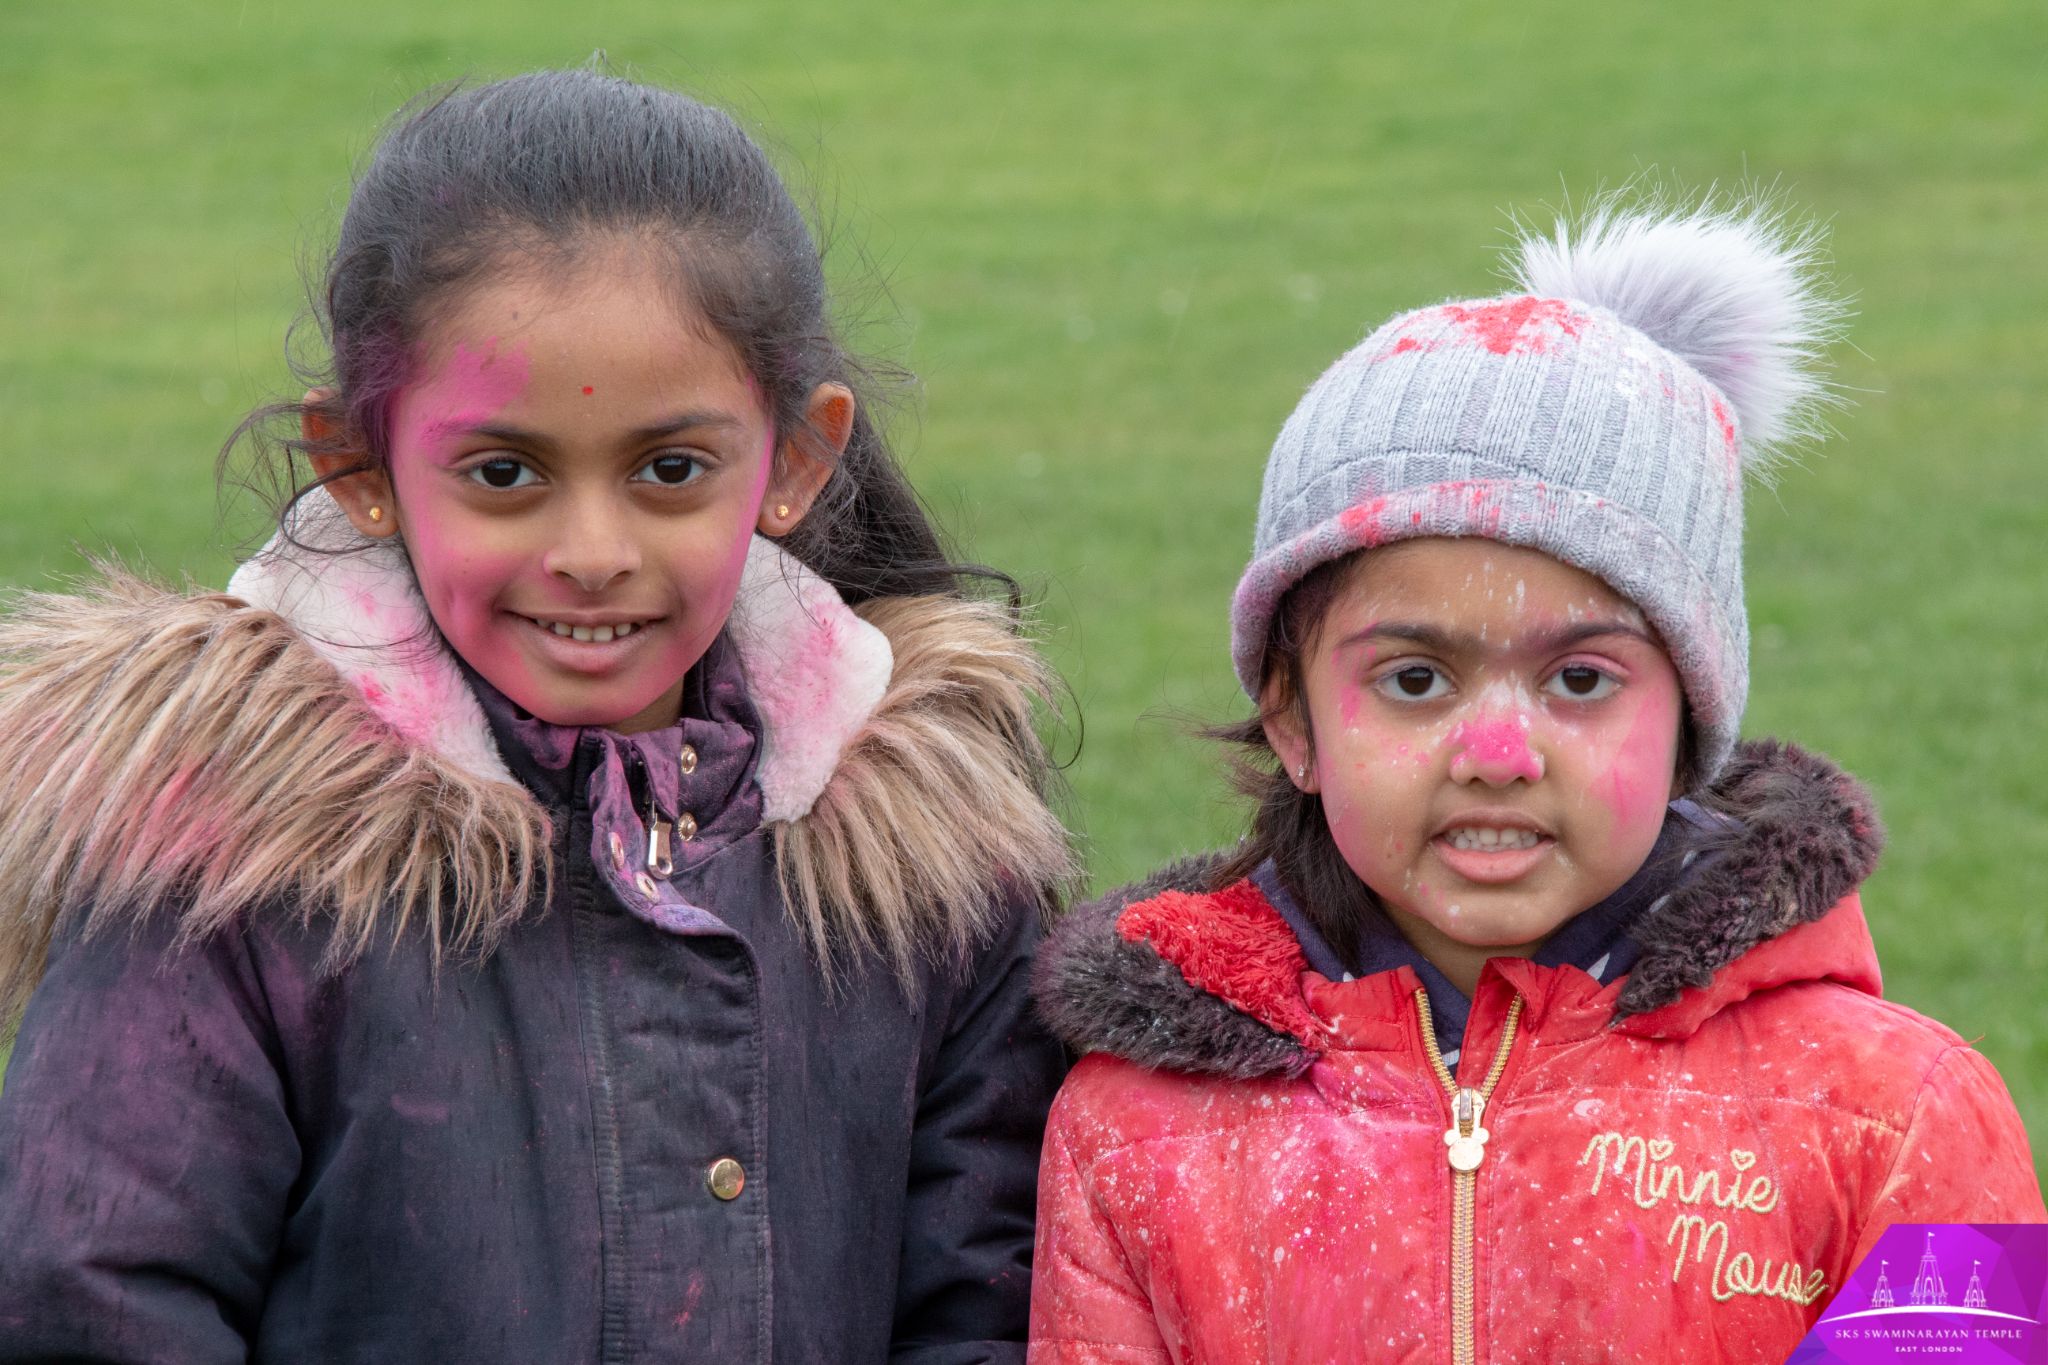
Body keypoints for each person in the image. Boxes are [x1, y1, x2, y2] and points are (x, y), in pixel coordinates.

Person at [0, 69, 1073, 1363]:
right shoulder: (226, 859)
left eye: (670, 470)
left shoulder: (931, 865)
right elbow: (92, 1301)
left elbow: (988, 1305)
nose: (592, 550)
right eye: (504, 473)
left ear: (792, 460)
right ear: (362, 464)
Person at [1026, 201, 2044, 1363]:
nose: (1499, 754)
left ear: (1689, 720)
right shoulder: (1130, 1127)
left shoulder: (1903, 1113)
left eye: (1579, 679)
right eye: (1413, 679)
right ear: (1292, 721)